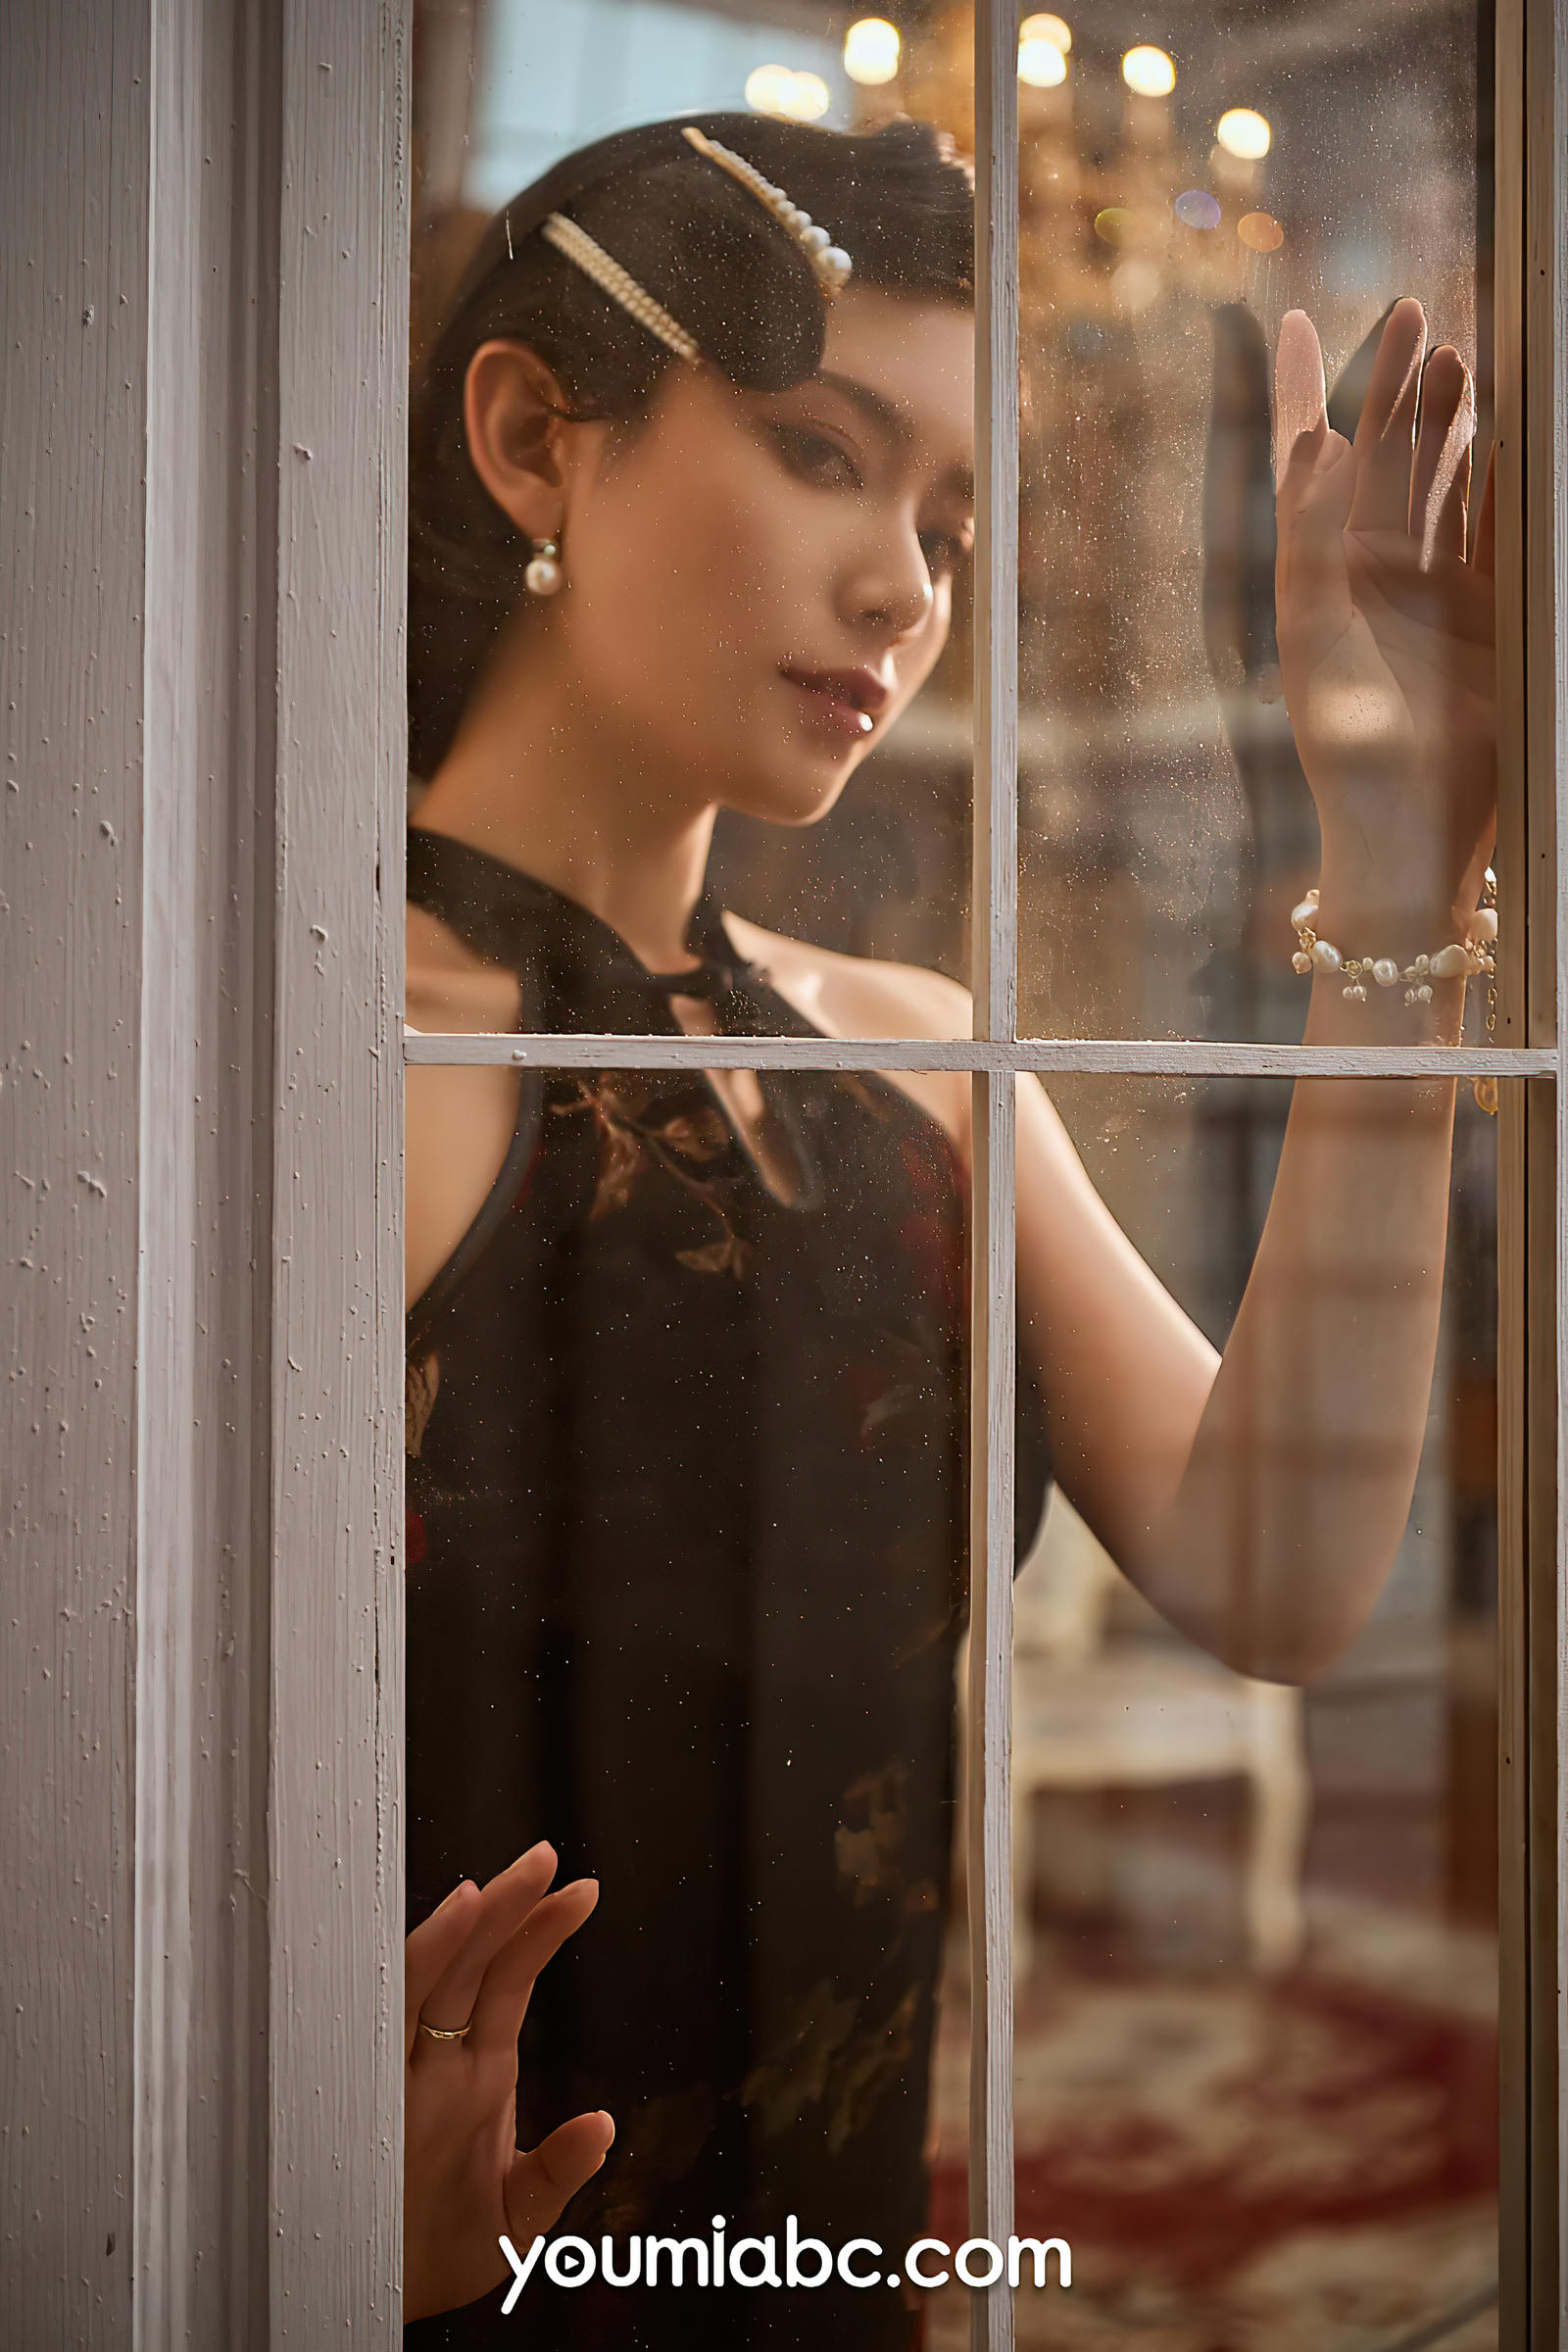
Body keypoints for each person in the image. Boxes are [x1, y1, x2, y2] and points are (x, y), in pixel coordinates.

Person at [398, 113, 1495, 2342]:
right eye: (825, 454)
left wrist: (1392, 864)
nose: (908, 590)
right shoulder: (314, 1053)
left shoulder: (919, 1061)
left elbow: (1280, 1573)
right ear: (530, 437)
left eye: (952, 525)